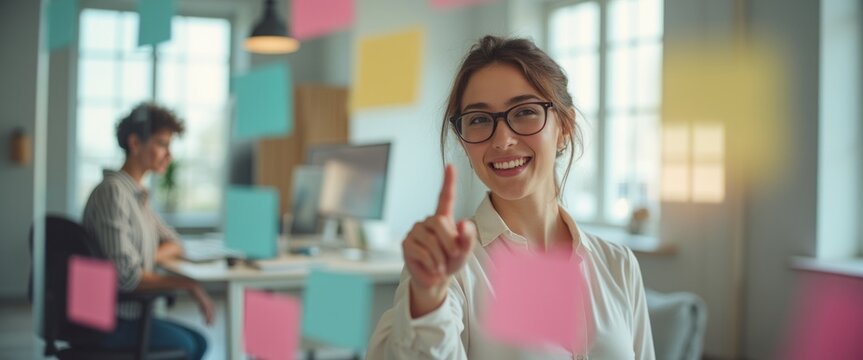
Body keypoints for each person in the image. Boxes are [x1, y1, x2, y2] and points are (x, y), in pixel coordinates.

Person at [367, 36, 655, 359]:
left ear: (565, 127)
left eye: (525, 112)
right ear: (464, 142)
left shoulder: (619, 266)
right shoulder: (453, 270)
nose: (502, 140)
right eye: (478, 119)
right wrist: (427, 301)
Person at [82, 103, 212, 360]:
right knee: (193, 346)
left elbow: (175, 242)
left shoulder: (137, 196)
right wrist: (188, 284)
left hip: (131, 316)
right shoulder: (113, 193)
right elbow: (128, 277)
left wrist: (145, 258)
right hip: (111, 321)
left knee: (198, 342)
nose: (169, 155)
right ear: (135, 143)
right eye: (162, 144)